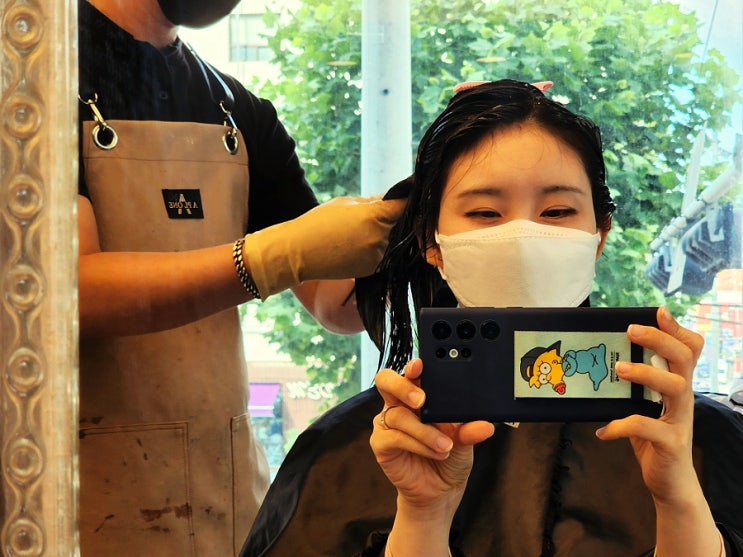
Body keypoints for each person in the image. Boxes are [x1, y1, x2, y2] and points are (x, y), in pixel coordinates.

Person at [239, 80, 743, 557]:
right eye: (485, 213)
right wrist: (422, 517)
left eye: (557, 212)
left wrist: (680, 501)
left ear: (600, 235)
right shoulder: (352, 450)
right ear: (431, 242)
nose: (523, 240)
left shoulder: (697, 440)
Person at [76, 0, 402, 555]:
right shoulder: (32, 90)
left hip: (224, 501)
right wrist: (269, 257)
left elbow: (335, 303)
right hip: (83, 504)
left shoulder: (237, 111)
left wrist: (435, 193)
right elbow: (72, 293)